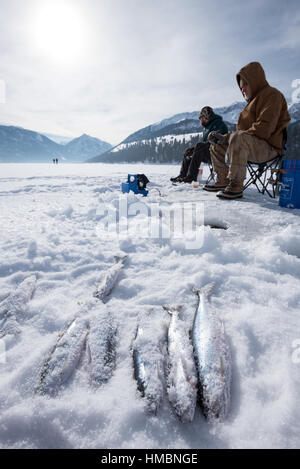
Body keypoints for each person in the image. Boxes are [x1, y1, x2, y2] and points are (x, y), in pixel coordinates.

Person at [204, 62, 291, 199]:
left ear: (255, 81)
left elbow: (264, 128)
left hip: (269, 147)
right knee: (217, 145)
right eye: (240, 87)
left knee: (239, 137)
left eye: (245, 84)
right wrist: (223, 138)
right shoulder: (249, 106)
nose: (242, 89)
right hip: (250, 144)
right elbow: (241, 134)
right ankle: (223, 180)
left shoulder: (272, 95)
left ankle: (236, 184)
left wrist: (231, 137)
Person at [170, 106, 228, 183]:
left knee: (199, 146)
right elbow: (204, 144)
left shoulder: (219, 124)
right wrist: (194, 150)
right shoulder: (206, 128)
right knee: (189, 151)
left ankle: (191, 176)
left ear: (207, 116)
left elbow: (221, 140)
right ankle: (183, 175)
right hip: (207, 152)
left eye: (201, 118)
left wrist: (200, 146)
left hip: (217, 153)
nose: (200, 121)